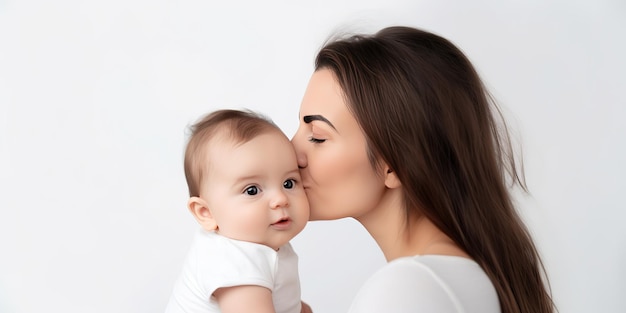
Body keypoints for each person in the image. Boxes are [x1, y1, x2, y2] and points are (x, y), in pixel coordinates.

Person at [292, 26, 555, 313]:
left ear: (394, 164)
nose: (291, 151)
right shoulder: (450, 280)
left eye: (317, 135)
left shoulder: (407, 289)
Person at [166, 109, 310, 313]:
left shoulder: (258, 247)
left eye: (288, 183)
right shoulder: (232, 261)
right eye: (252, 190)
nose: (280, 199)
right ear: (206, 212)